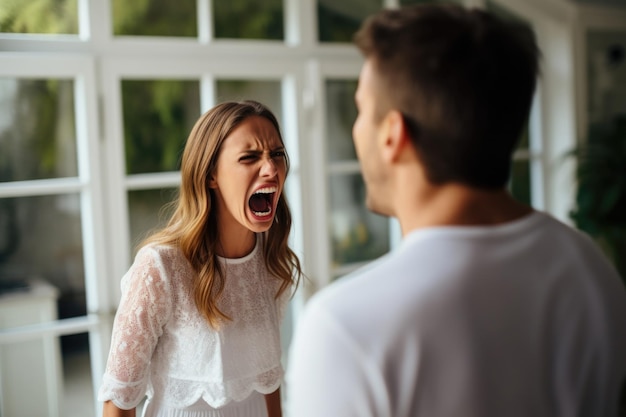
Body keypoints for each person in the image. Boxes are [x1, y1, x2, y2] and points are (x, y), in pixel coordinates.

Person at [286, 4, 626, 417]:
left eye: (361, 110)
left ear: (393, 134)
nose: (357, 128)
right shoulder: (589, 266)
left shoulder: (345, 330)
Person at [98, 100, 302, 417]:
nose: (271, 169)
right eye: (250, 157)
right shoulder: (160, 267)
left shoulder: (272, 262)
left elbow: (269, 380)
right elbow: (118, 403)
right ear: (210, 175)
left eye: (277, 154)